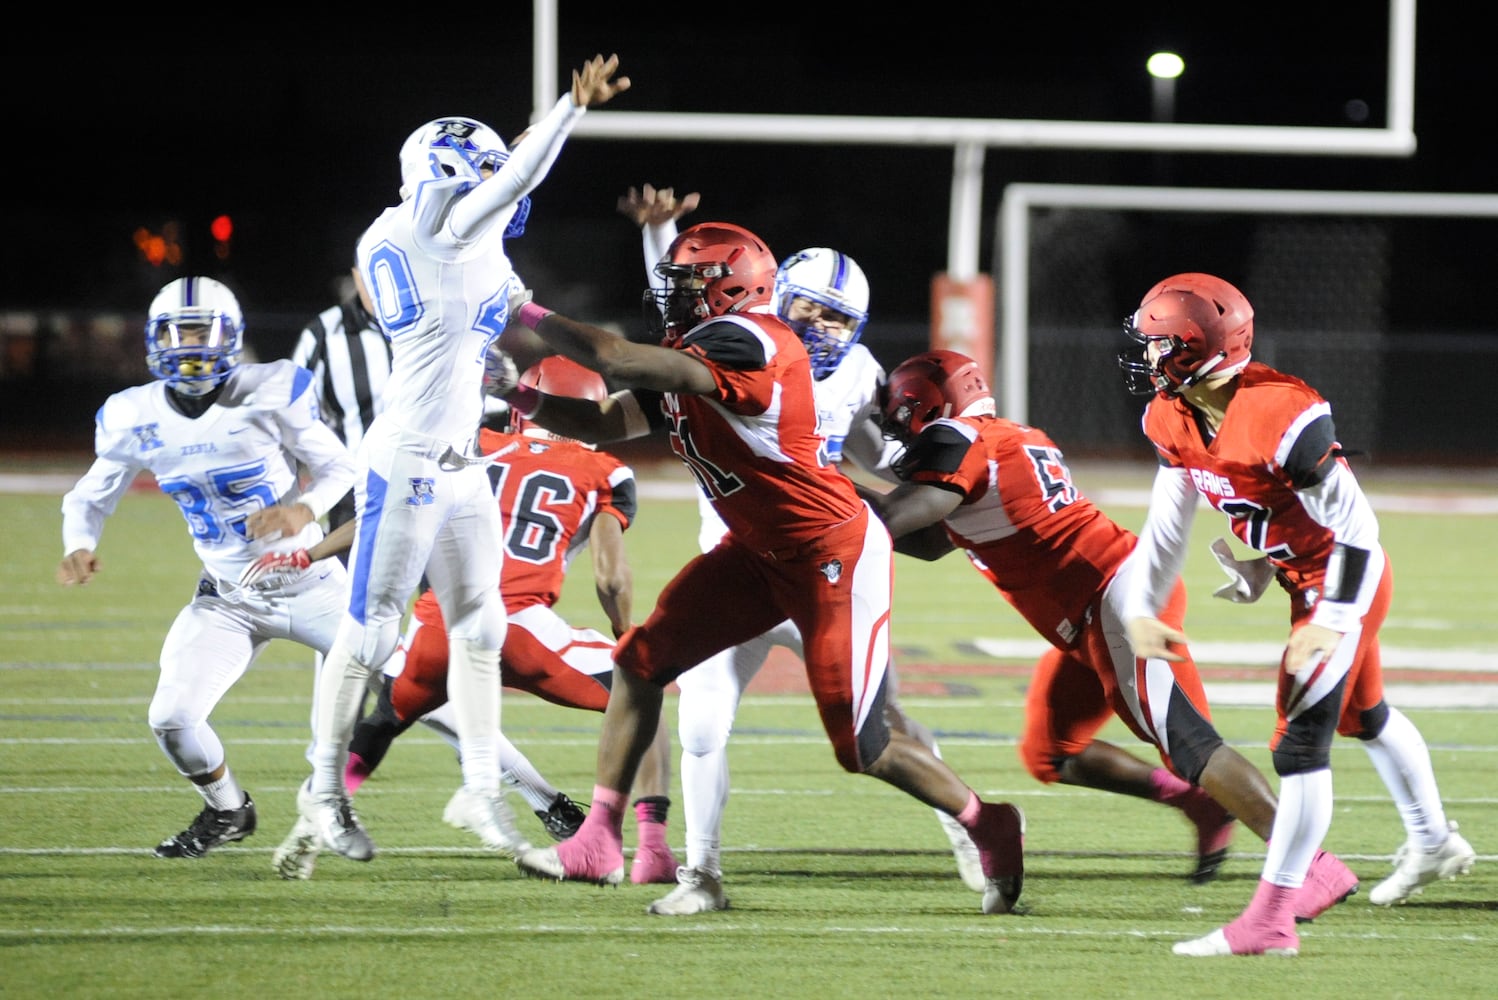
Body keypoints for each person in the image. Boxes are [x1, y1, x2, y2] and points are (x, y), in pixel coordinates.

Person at [492, 220, 1026, 916]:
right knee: (641, 660)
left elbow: (618, 360)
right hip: (756, 550)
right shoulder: (708, 347)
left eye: (687, 282)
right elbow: (602, 421)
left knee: (862, 745)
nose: (674, 294)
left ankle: (989, 822)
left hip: (829, 553)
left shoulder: (751, 340)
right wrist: (520, 396)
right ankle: (599, 838)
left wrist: (517, 308)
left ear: (733, 287)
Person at [856, 347, 1358, 920]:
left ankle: (1312, 866)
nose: (898, 430)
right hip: (1096, 607)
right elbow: (926, 539)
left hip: (1116, 601)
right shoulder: (1002, 437)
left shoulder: (960, 442)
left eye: (902, 414)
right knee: (1051, 752)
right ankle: (1200, 804)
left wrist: (814, 487)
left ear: (932, 406)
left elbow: (897, 518)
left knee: (1190, 744)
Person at [294, 53, 632, 866]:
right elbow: (511, 182)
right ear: (446, 176)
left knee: (481, 624)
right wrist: (568, 110)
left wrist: (587, 352)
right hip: (407, 457)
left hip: (456, 459)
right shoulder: (430, 227)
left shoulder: (430, 233)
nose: (497, 184)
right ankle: (323, 795)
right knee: (372, 630)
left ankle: (481, 790)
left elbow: (503, 277)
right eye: (477, 172)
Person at [616, 184, 983, 915]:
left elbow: (894, 469)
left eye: (837, 316)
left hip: (825, 568)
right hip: (735, 565)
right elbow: (677, 315)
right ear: (770, 294)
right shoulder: (733, 342)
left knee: (882, 724)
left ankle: (971, 834)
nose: (819, 323)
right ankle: (703, 874)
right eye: (808, 304)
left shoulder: (860, 373)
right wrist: (661, 235)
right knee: (701, 725)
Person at [1115, 272, 1476, 957]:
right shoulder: (1172, 415)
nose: (1148, 356)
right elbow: (1167, 526)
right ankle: (1433, 843)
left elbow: (1358, 530)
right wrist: (1141, 606)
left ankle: (1271, 920)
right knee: (1361, 717)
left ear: (1199, 349)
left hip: (1344, 582)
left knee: (1298, 747)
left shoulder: (1280, 411)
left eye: (1160, 344)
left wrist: (1330, 618)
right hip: (1301, 580)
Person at [250, 357, 678, 883]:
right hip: (520, 627)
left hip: (435, 627)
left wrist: (309, 554)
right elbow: (611, 577)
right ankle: (651, 846)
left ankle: (313, 823)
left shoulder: (476, 445)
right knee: (642, 693)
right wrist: (622, 632)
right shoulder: (605, 469)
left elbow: (391, 514)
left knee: (381, 724)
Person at [57, 276, 357, 859]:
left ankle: (541, 798)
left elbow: (339, 468)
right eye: (179, 332)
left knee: (421, 689)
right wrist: (78, 541)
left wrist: (302, 508)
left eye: (202, 332)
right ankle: (228, 810)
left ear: (230, 336)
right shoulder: (133, 414)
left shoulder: (266, 391)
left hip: (313, 584)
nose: (191, 346)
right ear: (155, 337)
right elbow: (90, 495)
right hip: (229, 596)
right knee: (171, 717)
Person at [290, 265, 393, 541]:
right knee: (350, 581)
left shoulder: (428, 325)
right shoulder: (324, 333)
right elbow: (290, 410)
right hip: (354, 486)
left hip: (425, 480)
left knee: (440, 583)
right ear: (356, 275)